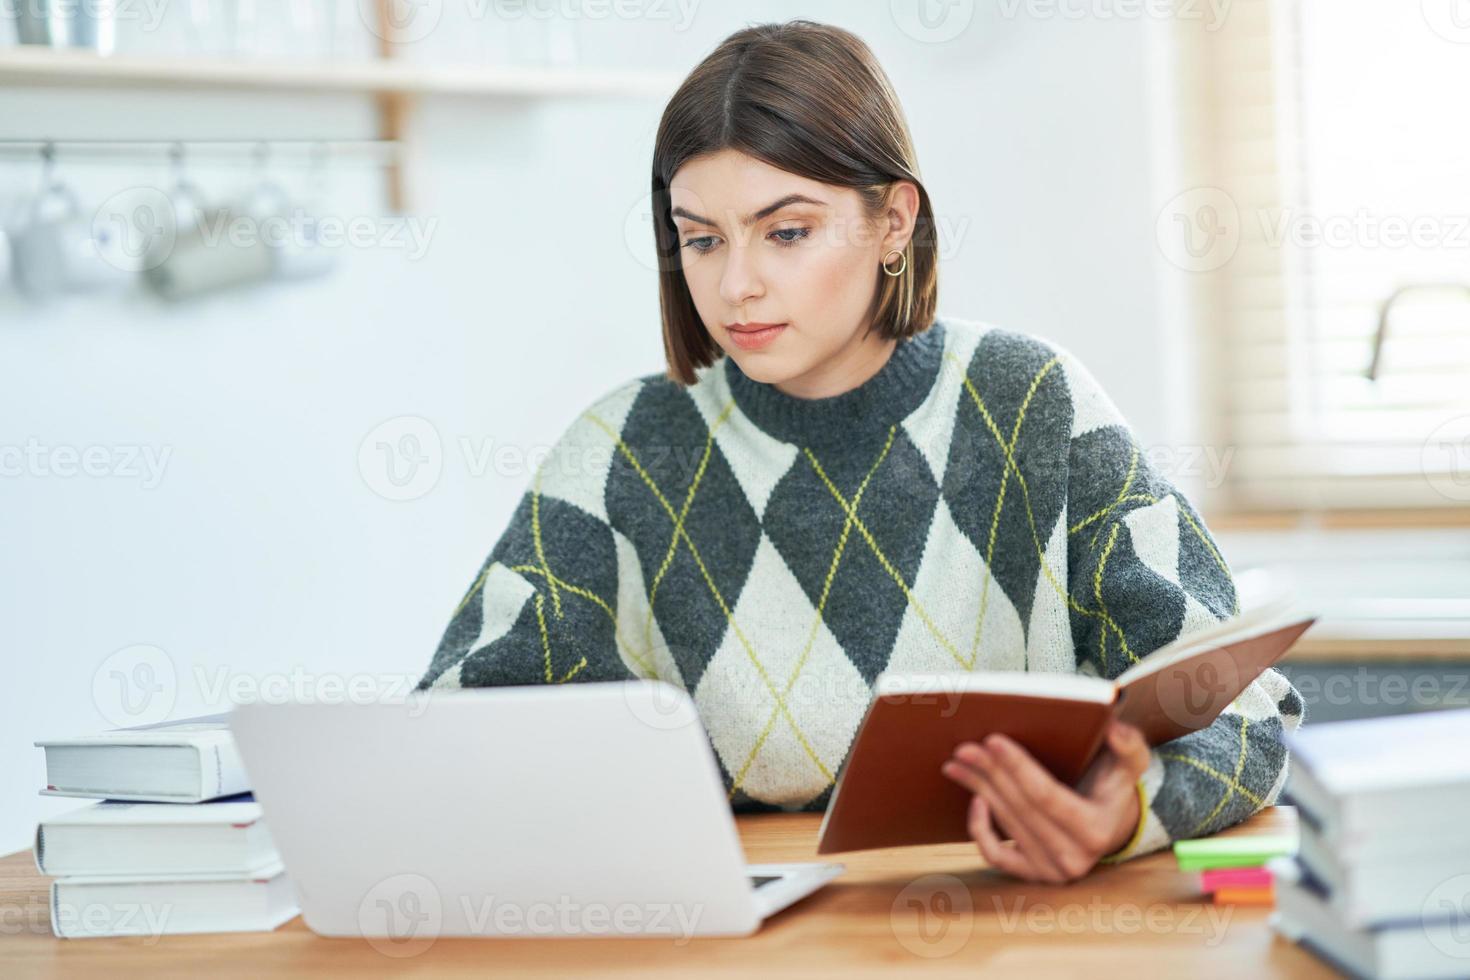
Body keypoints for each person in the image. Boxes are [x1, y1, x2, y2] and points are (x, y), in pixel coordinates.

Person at [415, 19, 1304, 884]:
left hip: (1022, 927)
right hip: (750, 947)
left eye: (787, 231)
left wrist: (1127, 810)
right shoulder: (626, 451)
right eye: (701, 238)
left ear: (893, 222)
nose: (736, 284)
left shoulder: (1032, 403)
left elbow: (1247, 707)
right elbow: (448, 740)